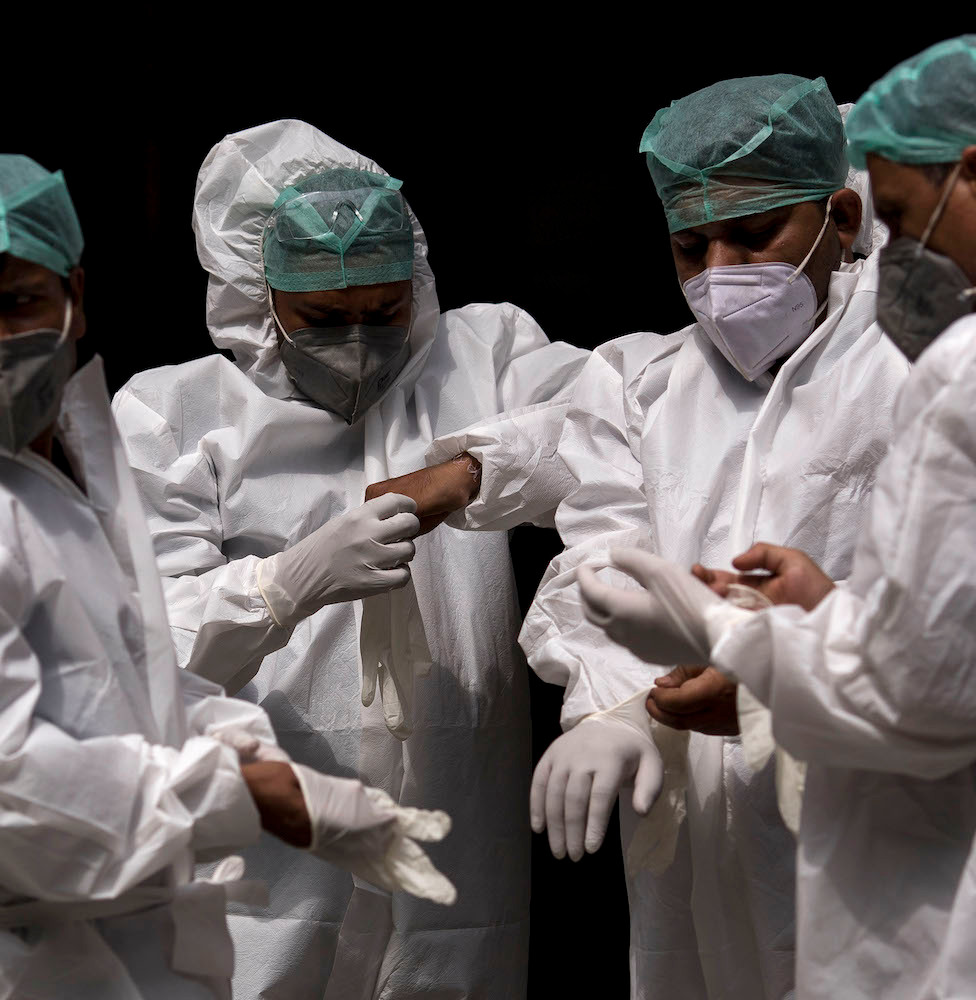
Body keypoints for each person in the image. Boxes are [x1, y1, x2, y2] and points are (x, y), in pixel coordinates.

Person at [0, 153, 453, 1000]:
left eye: (20, 301)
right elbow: (0, 791)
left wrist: (259, 758)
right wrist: (252, 790)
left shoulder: (47, 485)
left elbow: (130, 689)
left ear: (74, 295)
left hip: (108, 955)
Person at [579, 35, 976, 999]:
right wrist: (834, 607)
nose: (890, 260)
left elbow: (921, 697)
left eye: (899, 220)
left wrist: (736, 644)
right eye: (693, 245)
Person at [372, 76, 907, 998]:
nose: (719, 272)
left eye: (755, 236)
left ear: (843, 217)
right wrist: (613, 706)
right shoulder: (647, 381)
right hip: (694, 814)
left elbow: (960, 588)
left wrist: (785, 678)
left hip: (870, 794)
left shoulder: (912, 360)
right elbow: (600, 554)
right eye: (691, 246)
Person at [113, 120, 588, 998]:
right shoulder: (171, 415)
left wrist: (466, 474)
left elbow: (607, 428)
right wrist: (281, 585)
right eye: (324, 320)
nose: (361, 341)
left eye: (384, 310)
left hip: (454, 838)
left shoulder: (480, 357)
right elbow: (138, 655)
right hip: (273, 856)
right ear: (257, 293)